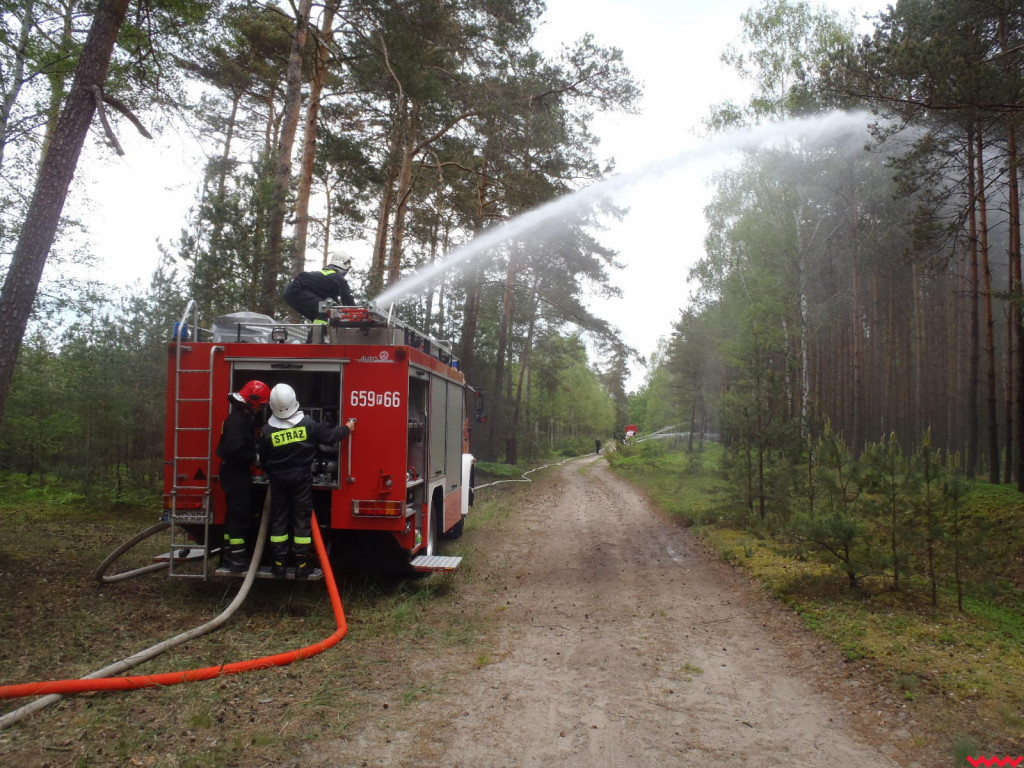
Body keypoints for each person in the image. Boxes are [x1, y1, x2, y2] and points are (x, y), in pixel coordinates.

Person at [259, 383, 356, 579]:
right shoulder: (307, 424)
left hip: (277, 480)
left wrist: (273, 471)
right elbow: (330, 437)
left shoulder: (267, 430)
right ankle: (302, 565)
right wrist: (347, 428)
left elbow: (263, 458)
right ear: (295, 402)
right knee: (301, 519)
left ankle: (278, 565)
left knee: (278, 519)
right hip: (301, 479)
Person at [216, 380, 271, 572]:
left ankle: (229, 556)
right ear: (252, 401)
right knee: (240, 515)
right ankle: (237, 560)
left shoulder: (243, 419)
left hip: (237, 472)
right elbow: (235, 450)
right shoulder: (236, 422)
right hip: (235, 472)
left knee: (235, 514)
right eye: (262, 404)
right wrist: (254, 458)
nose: (262, 408)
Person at [282, 253, 355, 325]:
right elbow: (348, 300)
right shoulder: (338, 277)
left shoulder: (326, 276)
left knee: (320, 314)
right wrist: (357, 312)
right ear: (345, 265)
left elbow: (333, 302)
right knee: (326, 311)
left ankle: (316, 334)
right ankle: (318, 336)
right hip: (298, 290)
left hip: (291, 291)